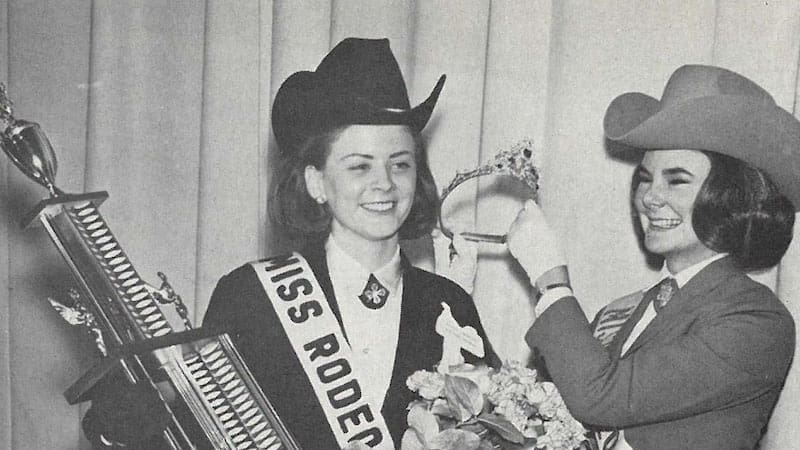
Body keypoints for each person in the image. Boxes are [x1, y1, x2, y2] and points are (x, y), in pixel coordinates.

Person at [82, 37, 496, 449]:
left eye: (400, 164)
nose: (384, 183)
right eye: (359, 166)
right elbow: (185, 424)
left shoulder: (448, 305)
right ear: (317, 182)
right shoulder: (252, 297)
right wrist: (141, 406)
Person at [506, 64, 798, 449]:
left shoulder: (756, 321)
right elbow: (540, 411)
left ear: (731, 198)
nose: (649, 197)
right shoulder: (624, 312)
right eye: (645, 178)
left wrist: (550, 279)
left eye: (676, 180)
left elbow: (599, 398)